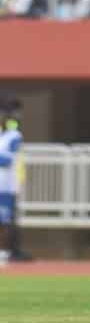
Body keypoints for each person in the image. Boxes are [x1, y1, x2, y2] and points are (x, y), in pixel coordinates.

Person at [0, 99, 18, 268]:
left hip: (5, 186)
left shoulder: (14, 136)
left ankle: (3, 254)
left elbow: (7, 160)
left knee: (4, 220)